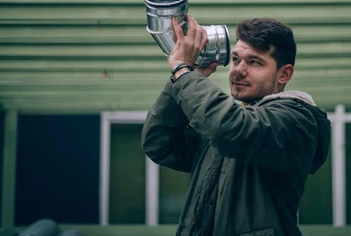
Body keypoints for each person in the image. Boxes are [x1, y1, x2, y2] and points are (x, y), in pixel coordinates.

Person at [141, 15, 331, 236]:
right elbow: (159, 143)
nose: (238, 70)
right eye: (236, 59)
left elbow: (232, 130)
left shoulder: (295, 120)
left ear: (284, 74)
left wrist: (183, 73)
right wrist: (183, 79)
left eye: (254, 62)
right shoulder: (229, 124)